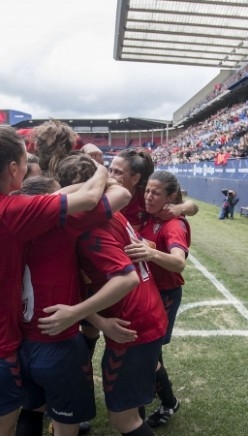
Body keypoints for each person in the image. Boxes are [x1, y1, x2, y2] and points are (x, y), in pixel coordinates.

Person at [0, 126, 109, 436]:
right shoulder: (7, 211)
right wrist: (100, 166)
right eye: (24, 160)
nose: (27, 165)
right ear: (12, 168)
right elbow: (90, 196)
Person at [16, 169, 132, 436]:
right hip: (58, 342)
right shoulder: (62, 225)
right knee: (66, 426)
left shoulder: (4, 225)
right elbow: (121, 194)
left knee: (32, 409)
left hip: (20, 340)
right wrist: (101, 172)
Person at [63, 155, 168, 436]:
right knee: (131, 406)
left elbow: (126, 279)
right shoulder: (108, 211)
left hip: (132, 324)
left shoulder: (90, 228)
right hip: (143, 316)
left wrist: (78, 313)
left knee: (123, 418)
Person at [124, 171, 191, 428]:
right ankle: (153, 395)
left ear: (171, 196)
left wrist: (149, 254)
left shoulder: (173, 223)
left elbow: (178, 263)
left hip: (165, 295)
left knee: (151, 354)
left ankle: (169, 402)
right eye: (148, 190)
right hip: (148, 290)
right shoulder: (151, 214)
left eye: (156, 192)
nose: (149, 196)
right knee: (148, 352)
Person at [108, 148, 198, 231]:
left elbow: (193, 207)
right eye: (110, 170)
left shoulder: (149, 195)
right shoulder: (104, 190)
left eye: (118, 172)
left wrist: (179, 208)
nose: (111, 176)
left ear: (135, 178)